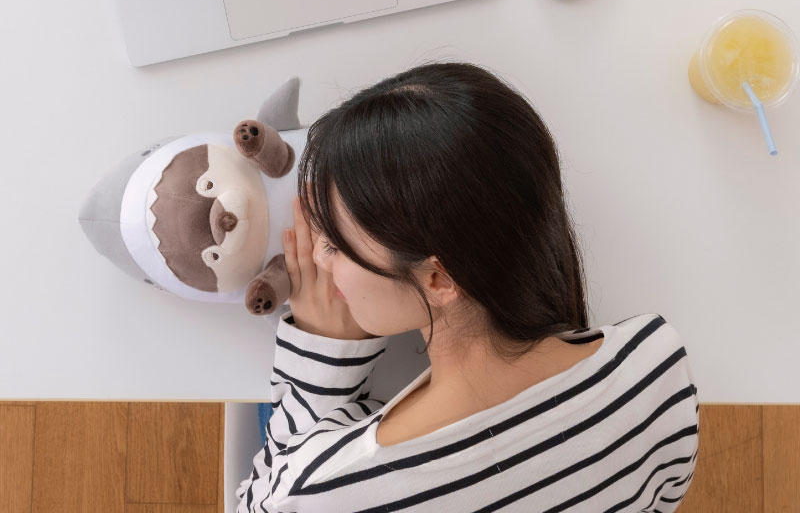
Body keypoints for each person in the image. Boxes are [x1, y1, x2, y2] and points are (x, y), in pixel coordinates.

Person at [236, 62, 699, 512]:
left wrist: (321, 365)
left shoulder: (316, 491)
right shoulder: (655, 369)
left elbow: (260, 501)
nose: (316, 257)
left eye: (336, 244)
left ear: (438, 279)